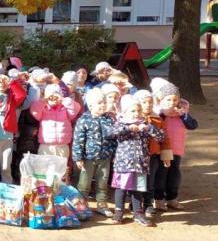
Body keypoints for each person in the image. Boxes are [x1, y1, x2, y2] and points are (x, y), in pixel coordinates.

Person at [108, 94, 165, 226]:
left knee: (138, 189)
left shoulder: (145, 124)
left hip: (141, 164)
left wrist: (149, 128)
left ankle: (138, 213)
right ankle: (118, 211)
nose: (136, 113)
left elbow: (161, 137)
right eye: (133, 111)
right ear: (125, 112)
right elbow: (110, 134)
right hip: (124, 164)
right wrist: (127, 128)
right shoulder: (120, 124)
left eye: (138, 110)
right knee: (121, 188)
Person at [153, 81, 198, 210]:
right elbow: (154, 124)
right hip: (161, 149)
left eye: (175, 99)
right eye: (168, 100)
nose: (172, 103)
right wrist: (164, 113)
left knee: (174, 174)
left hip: (177, 149)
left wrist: (183, 115)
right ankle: (158, 198)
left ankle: (172, 198)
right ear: (162, 99)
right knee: (161, 174)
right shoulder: (158, 113)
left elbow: (193, 125)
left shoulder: (182, 113)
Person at [72, 88, 116, 217]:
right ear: (91, 106)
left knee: (102, 181)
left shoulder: (109, 120)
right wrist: (78, 157)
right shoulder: (84, 120)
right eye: (99, 103)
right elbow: (78, 140)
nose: (102, 105)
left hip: (105, 157)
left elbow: (113, 138)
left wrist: (113, 153)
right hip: (88, 158)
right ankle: (82, 205)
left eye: (103, 102)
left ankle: (101, 204)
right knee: (84, 183)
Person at [134, 89, 172, 217]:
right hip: (137, 157)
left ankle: (148, 204)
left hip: (153, 156)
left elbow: (165, 138)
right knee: (139, 180)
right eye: (144, 102)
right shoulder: (133, 119)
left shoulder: (157, 119)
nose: (148, 105)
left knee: (150, 181)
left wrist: (166, 156)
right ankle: (136, 204)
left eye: (150, 102)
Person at [30, 83, 81, 159]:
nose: (53, 98)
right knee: (46, 169)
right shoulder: (43, 108)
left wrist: (63, 100)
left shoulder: (65, 109)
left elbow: (76, 108)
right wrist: (44, 100)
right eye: (50, 97)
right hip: (46, 146)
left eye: (56, 96)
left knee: (60, 170)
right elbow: (34, 110)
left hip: (62, 146)